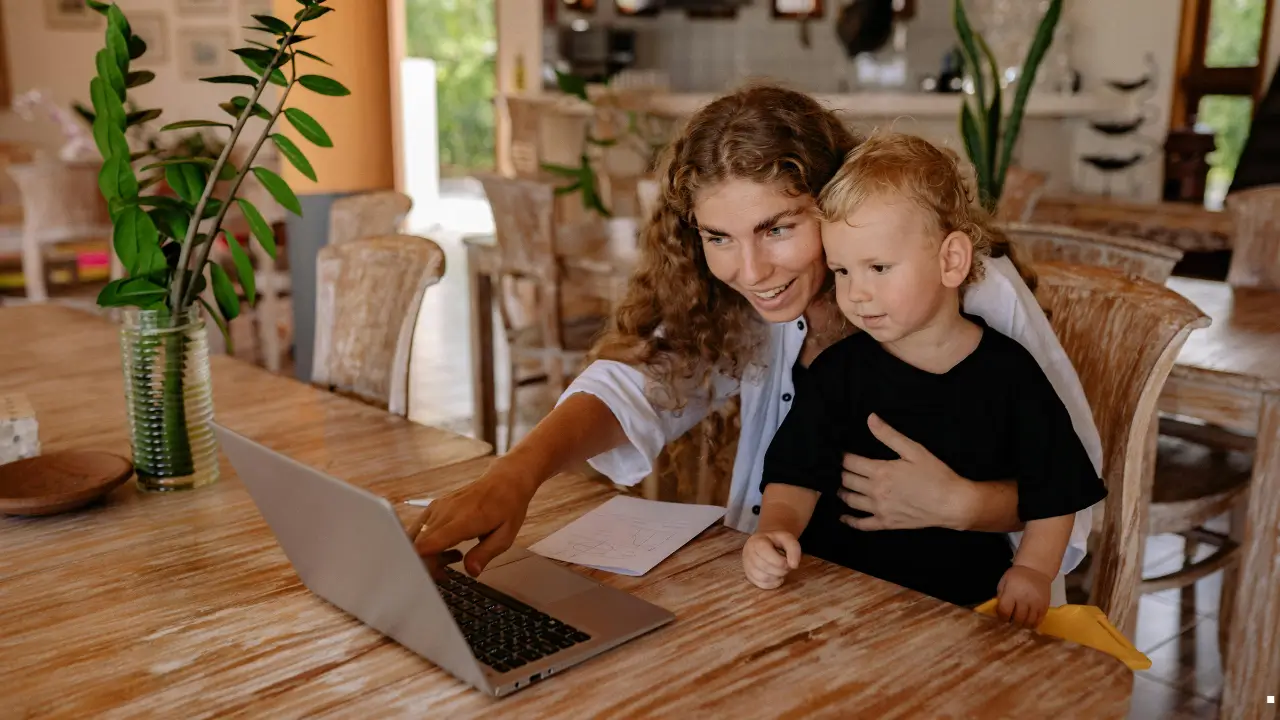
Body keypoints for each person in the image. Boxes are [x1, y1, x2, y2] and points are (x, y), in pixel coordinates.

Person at [415, 83, 1103, 610]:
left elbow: (1076, 496)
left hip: (958, 609)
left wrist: (962, 506)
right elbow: (638, 386)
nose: (750, 271)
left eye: (778, 228)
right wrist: (517, 474)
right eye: (719, 238)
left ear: (833, 201)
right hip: (801, 593)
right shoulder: (745, 303)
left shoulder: (973, 295)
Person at [741, 133, 1108, 626]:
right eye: (843, 271)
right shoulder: (838, 373)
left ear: (951, 261)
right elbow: (794, 475)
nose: (857, 293)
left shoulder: (1012, 375)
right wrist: (774, 531)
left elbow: (1056, 491)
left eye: (878, 267)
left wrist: (1034, 571)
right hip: (838, 599)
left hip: (963, 606)